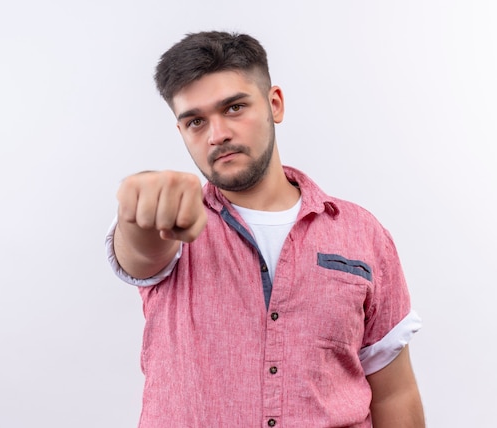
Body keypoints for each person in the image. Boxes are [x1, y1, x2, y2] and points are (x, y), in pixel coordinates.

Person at [105, 31, 424, 427]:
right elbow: (140, 252)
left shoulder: (362, 233)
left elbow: (394, 392)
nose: (217, 134)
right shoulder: (170, 223)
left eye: (234, 108)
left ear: (275, 104)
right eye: (196, 121)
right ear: (181, 132)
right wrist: (137, 210)